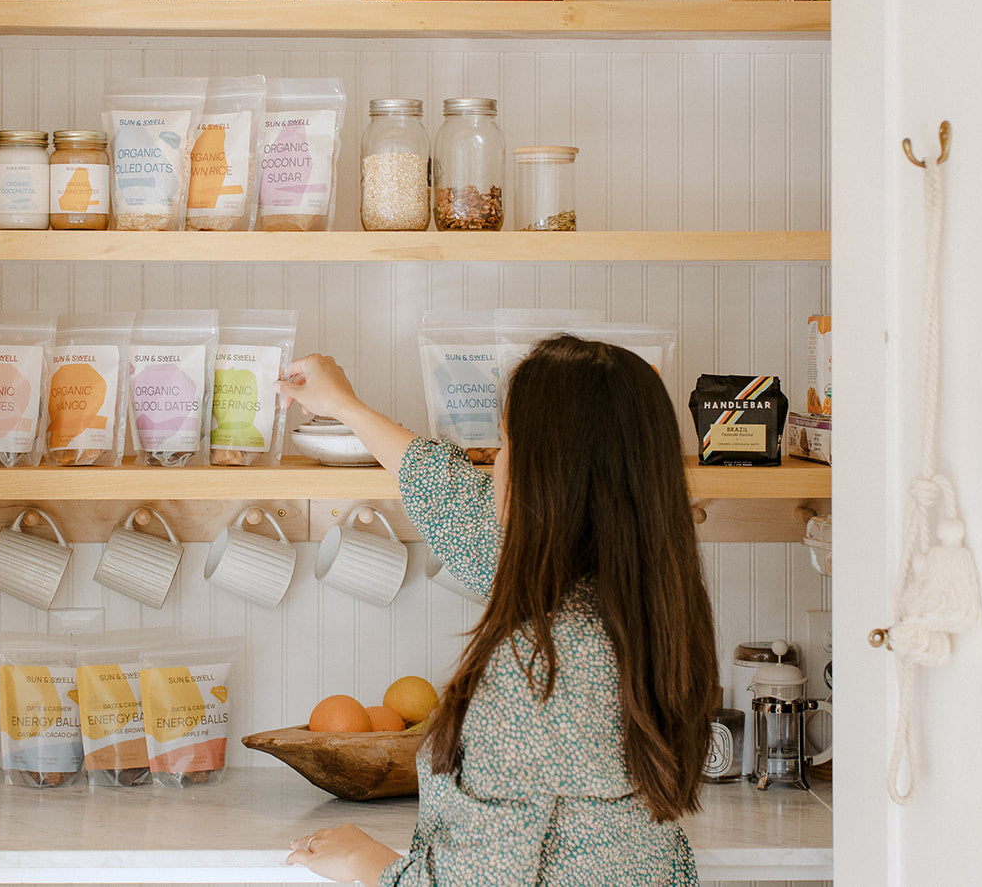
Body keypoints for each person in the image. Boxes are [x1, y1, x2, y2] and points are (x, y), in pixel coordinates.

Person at [276, 336, 718, 886]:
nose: (495, 469)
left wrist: (364, 860)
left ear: (544, 476)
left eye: (505, 446)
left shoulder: (536, 667)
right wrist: (347, 407)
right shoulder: (645, 604)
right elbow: (459, 505)